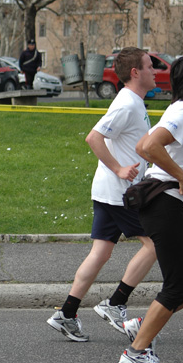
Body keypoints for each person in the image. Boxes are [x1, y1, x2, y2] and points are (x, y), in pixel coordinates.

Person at [47, 47, 158, 342]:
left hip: (108, 191)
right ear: (135, 73)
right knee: (155, 244)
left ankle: (66, 314)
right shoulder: (127, 104)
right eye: (149, 66)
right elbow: (94, 137)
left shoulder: (134, 102)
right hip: (121, 192)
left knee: (101, 253)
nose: (154, 71)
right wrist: (120, 169)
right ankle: (116, 303)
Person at [115, 56, 183, 363]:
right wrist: (182, 175)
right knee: (178, 284)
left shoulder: (177, 108)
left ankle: (144, 324)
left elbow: (144, 144)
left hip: (166, 204)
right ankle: (136, 353)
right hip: (166, 204)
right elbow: (150, 146)